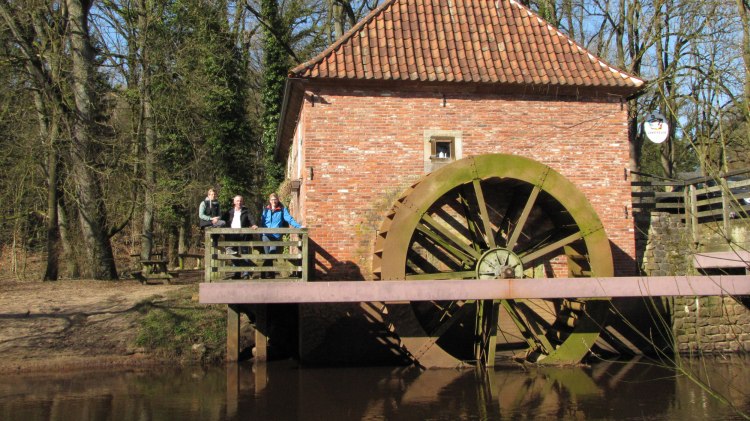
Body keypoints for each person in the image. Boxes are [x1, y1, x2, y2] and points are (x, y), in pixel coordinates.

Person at [259, 193, 303, 279]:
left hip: (276, 235)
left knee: (272, 253)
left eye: (275, 199)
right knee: (267, 254)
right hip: (265, 235)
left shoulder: (282, 209)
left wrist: (299, 226)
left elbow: (289, 219)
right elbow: (262, 222)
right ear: (269, 201)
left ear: (278, 200)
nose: (274, 201)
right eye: (272, 200)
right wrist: (261, 233)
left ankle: (263, 272)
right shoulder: (266, 210)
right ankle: (270, 274)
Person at [223, 195, 258, 279]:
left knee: (245, 253)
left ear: (243, 202)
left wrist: (253, 225)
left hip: (243, 235)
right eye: (237, 201)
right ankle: (237, 273)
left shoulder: (246, 211)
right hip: (232, 235)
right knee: (234, 254)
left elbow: (251, 219)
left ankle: (246, 273)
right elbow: (222, 220)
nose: (239, 202)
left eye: (241, 201)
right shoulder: (229, 211)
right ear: (234, 202)